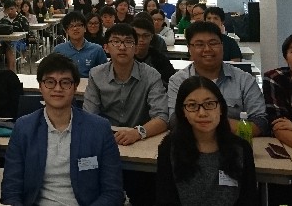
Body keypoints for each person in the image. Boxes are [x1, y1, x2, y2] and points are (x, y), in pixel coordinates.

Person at [1, 54, 123, 206]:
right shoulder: (23, 128)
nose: (57, 89)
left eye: (65, 82)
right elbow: (11, 190)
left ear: (75, 86)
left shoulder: (99, 128)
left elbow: (113, 192)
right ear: (40, 86)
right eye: (50, 82)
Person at [85, 24, 169, 206]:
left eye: (128, 42)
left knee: (145, 195)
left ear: (136, 46)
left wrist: (138, 132)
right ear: (106, 47)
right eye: (116, 42)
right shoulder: (96, 74)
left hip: (141, 143)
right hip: (106, 142)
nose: (122, 47)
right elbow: (88, 116)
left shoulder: (151, 75)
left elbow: (162, 117)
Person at [156, 76, 258, 206]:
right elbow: (165, 199)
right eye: (192, 105)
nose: (202, 113)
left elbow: (249, 199)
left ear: (221, 108)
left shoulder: (240, 147)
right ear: (183, 112)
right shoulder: (170, 147)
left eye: (209, 104)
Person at [167, 21, 268, 136]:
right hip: (193, 146)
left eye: (213, 43)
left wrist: (210, 124)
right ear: (189, 48)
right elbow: (174, 121)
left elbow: (261, 123)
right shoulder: (178, 81)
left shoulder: (244, 80)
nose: (207, 49)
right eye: (199, 44)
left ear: (222, 46)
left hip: (234, 145)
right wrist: (232, 125)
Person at [52, 11, 107, 78]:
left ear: (85, 28)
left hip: (90, 86)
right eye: (71, 26)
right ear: (66, 30)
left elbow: (105, 74)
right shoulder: (59, 50)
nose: (75, 28)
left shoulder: (97, 50)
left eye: (78, 25)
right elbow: (53, 73)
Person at [132, 18, 176, 88]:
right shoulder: (124, 56)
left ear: (151, 37)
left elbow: (171, 83)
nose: (141, 40)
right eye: (137, 36)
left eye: (145, 36)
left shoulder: (160, 60)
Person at [0, 0, 29, 71]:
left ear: (16, 8)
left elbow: (27, 35)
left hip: (20, 43)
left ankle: (11, 71)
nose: (10, 11)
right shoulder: (3, 20)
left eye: (12, 9)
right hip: (4, 42)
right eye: (7, 10)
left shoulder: (22, 19)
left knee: (10, 47)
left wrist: (26, 48)